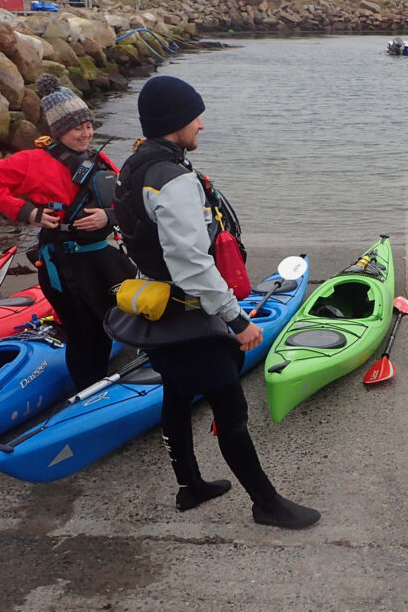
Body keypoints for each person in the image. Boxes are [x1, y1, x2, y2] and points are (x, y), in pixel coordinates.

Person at [109, 75, 320, 528]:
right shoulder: (171, 178)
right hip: (190, 315)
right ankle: (266, 503)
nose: (201, 125)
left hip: (156, 309)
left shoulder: (136, 167)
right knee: (232, 412)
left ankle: (191, 486)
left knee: (177, 392)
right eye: (194, 116)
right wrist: (237, 319)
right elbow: (189, 261)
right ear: (174, 123)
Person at [0, 73, 135, 391]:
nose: (86, 133)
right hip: (63, 264)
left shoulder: (98, 159)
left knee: (113, 322)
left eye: (89, 126)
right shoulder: (32, 161)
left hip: (102, 259)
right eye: (78, 128)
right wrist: (29, 213)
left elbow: (125, 201)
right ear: (60, 130)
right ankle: (88, 389)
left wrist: (106, 216)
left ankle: (106, 377)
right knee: (82, 333)